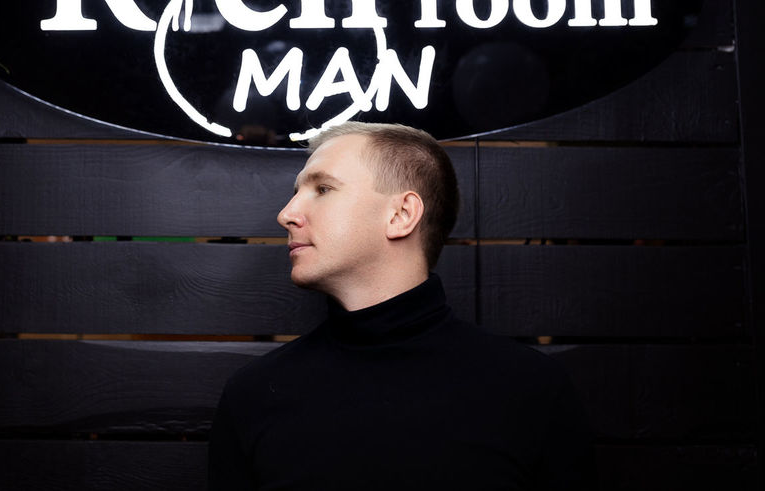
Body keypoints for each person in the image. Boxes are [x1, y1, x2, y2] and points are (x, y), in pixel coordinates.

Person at [208, 121, 596, 490]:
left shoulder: (531, 391)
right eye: (297, 192)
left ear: (401, 214)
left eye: (323, 189)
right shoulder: (254, 395)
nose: (286, 215)